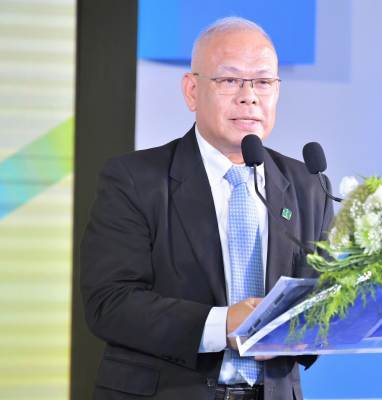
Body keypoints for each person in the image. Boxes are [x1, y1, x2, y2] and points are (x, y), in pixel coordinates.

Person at [80, 17, 333, 400]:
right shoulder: (134, 180)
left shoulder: (308, 185)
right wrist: (223, 324)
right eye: (230, 80)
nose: (249, 96)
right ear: (192, 91)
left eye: (263, 82)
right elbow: (110, 303)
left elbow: (318, 305)